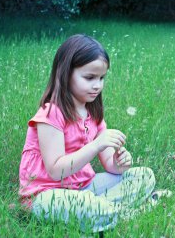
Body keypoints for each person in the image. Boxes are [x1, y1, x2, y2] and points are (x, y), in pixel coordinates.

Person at [18, 34, 157, 232]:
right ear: (65, 74)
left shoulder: (93, 114)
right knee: (89, 206)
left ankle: (107, 211)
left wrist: (120, 163)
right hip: (47, 195)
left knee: (145, 176)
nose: (97, 85)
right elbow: (56, 170)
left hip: (83, 188)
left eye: (101, 78)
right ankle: (124, 212)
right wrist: (96, 145)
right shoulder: (51, 113)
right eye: (89, 77)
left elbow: (110, 165)